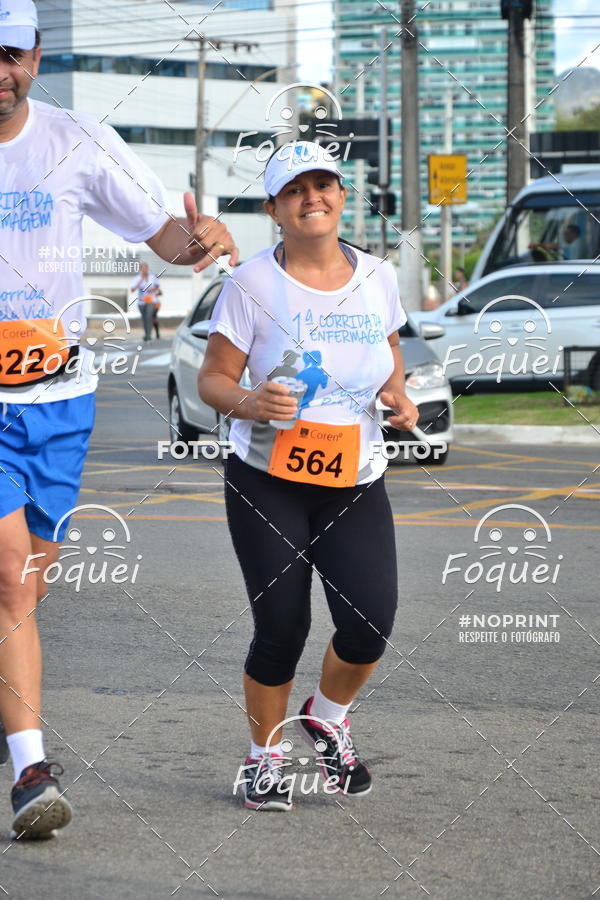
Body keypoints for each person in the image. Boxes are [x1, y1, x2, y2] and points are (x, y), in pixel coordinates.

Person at [0, 0, 237, 840]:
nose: (0, 71)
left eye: (12, 54)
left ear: (35, 57)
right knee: (8, 580)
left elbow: (163, 236)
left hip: (59, 397)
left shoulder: (76, 141)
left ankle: (11, 718)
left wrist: (199, 237)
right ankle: (31, 770)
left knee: (28, 586)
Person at [198, 141, 418, 811]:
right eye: (295, 190)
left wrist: (398, 396)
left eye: (323, 184)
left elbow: (388, 351)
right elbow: (212, 379)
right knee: (282, 628)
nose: (311, 197)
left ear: (342, 195)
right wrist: (250, 401)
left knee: (369, 623)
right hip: (269, 481)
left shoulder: (378, 275)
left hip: (355, 478)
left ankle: (326, 716)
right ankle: (264, 757)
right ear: (274, 208)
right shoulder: (251, 285)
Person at [130, 262, 161, 341]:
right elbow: (132, 289)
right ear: (140, 269)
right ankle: (146, 333)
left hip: (151, 300)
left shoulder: (152, 277)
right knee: (144, 318)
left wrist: (152, 289)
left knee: (149, 317)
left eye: (146, 268)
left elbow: (157, 285)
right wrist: (140, 281)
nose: (144, 270)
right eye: (143, 268)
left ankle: (149, 335)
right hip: (141, 301)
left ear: (147, 268)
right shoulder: (137, 278)